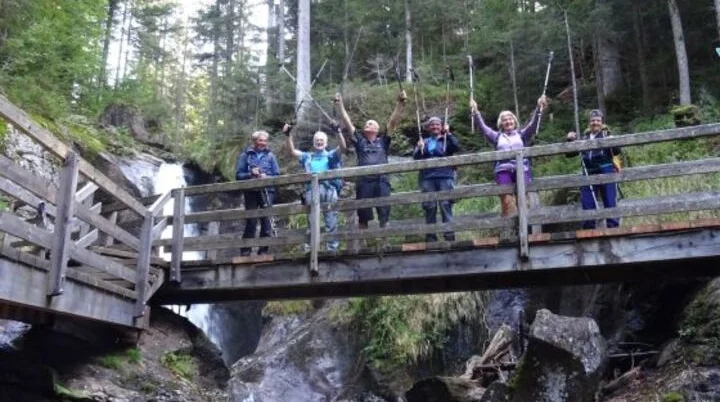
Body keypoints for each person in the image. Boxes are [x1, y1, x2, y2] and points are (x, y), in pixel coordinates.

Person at [334, 89, 407, 230]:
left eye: (371, 123)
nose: (367, 124)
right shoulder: (360, 141)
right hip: (364, 181)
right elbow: (348, 122)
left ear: (377, 129)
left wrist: (400, 103)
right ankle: (363, 242)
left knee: (384, 215)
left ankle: (385, 241)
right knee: (363, 216)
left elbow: (392, 122)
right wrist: (340, 104)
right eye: (366, 123)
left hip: (381, 180)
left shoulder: (383, 141)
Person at [470, 96, 548, 217]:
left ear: (514, 121)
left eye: (510, 119)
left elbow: (533, 125)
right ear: (501, 123)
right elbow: (484, 129)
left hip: (522, 169)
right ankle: (508, 227)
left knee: (523, 201)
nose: (508, 121)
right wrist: (475, 112)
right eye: (505, 120)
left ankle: (525, 227)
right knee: (507, 202)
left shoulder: (522, 135)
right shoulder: (497, 137)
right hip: (503, 170)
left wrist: (539, 108)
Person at [285, 123, 347, 251]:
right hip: (311, 191)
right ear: (314, 143)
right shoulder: (307, 157)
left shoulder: (331, 155)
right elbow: (292, 151)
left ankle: (332, 249)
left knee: (331, 220)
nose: (319, 142)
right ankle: (311, 249)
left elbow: (342, 147)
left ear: (326, 142)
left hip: (329, 190)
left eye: (321, 140)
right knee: (312, 221)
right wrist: (288, 135)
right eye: (317, 140)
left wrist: (338, 132)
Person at [566, 109, 621, 229]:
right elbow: (569, 154)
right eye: (592, 121)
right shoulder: (584, 137)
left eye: (598, 120)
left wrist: (613, 141)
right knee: (587, 202)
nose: (595, 123)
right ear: (589, 123)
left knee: (609, 200)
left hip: (606, 170)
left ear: (601, 122)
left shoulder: (606, 135)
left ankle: (613, 227)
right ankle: (588, 229)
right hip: (588, 172)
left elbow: (617, 151)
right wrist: (570, 140)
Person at [413, 116, 461, 242]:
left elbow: (456, 147)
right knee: (430, 208)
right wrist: (419, 148)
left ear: (441, 127)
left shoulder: (446, 139)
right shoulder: (424, 142)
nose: (435, 126)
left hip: (445, 176)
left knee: (446, 206)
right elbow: (416, 158)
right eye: (432, 125)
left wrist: (448, 133)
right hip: (427, 178)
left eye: (437, 124)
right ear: (428, 128)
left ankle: (449, 238)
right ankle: (431, 239)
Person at [235, 130, 281, 256]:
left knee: (266, 221)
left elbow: (277, 175)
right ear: (254, 141)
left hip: (267, 191)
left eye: (265, 141)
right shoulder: (245, 156)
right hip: (251, 191)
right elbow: (238, 175)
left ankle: (263, 251)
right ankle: (246, 251)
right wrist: (250, 173)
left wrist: (267, 177)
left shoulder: (271, 156)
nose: (263, 143)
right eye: (260, 140)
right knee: (251, 221)